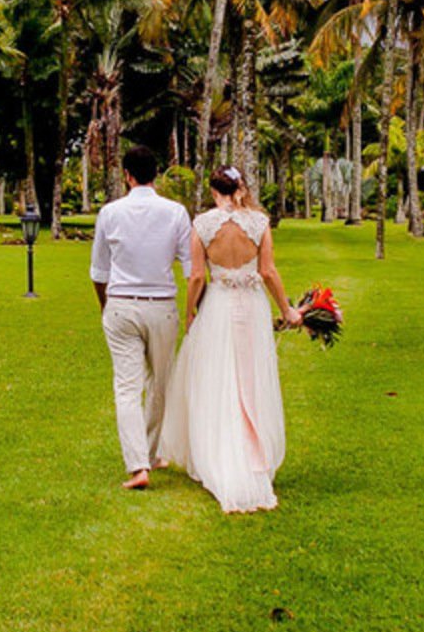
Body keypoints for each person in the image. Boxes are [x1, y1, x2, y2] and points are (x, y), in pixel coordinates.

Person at [158, 165, 302, 514]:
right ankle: (253, 454)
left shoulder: (203, 225)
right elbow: (267, 271)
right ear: (240, 188)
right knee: (250, 380)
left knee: (219, 379)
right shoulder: (258, 223)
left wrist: (190, 311)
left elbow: (195, 277)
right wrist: (287, 309)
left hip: (219, 306)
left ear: (213, 191)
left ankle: (222, 453)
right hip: (251, 308)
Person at [88, 144, 191, 491]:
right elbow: (191, 268)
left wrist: (107, 306)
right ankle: (148, 454)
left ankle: (139, 464)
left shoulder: (110, 213)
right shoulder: (176, 213)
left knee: (127, 387)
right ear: (156, 175)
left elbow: (99, 271)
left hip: (120, 303)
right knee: (159, 383)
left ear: (127, 176)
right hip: (161, 306)